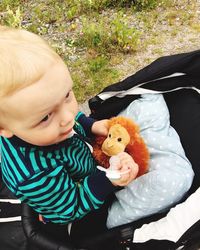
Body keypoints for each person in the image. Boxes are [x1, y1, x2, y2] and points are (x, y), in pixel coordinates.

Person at [0, 26, 138, 246]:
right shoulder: (34, 174)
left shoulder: (37, 120)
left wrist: (90, 125)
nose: (67, 118)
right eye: (46, 117)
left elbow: (69, 116)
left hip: (81, 162)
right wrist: (109, 179)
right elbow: (70, 208)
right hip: (73, 204)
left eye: (67, 95)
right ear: (3, 127)